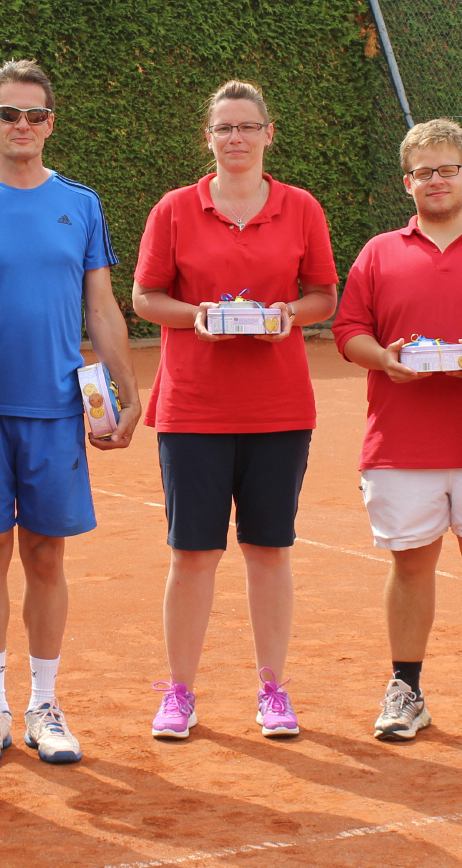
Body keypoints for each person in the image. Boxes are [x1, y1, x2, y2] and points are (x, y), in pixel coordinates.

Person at [0, 60, 142, 767]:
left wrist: (128, 391)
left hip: (57, 411)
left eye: (34, 115)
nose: (21, 125)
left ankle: (44, 705)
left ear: (50, 124)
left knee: (47, 556)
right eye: (8, 114)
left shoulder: (80, 204)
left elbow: (101, 307)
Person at [131, 80, 338, 740]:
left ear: (268, 134)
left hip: (279, 408)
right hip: (193, 409)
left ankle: (273, 690)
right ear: (209, 137)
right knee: (192, 554)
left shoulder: (301, 207)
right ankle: (179, 692)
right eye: (225, 128)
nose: (236, 138)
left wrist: (287, 315)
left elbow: (324, 295)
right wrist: (198, 317)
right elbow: (145, 298)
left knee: (268, 550)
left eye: (248, 126)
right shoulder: (174, 209)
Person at [335, 119, 462, 744]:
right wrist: (385, 358)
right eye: (423, 172)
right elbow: (349, 331)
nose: (436, 180)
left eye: (448, 169)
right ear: (408, 183)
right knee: (410, 567)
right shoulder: (378, 252)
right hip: (401, 444)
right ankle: (407, 691)